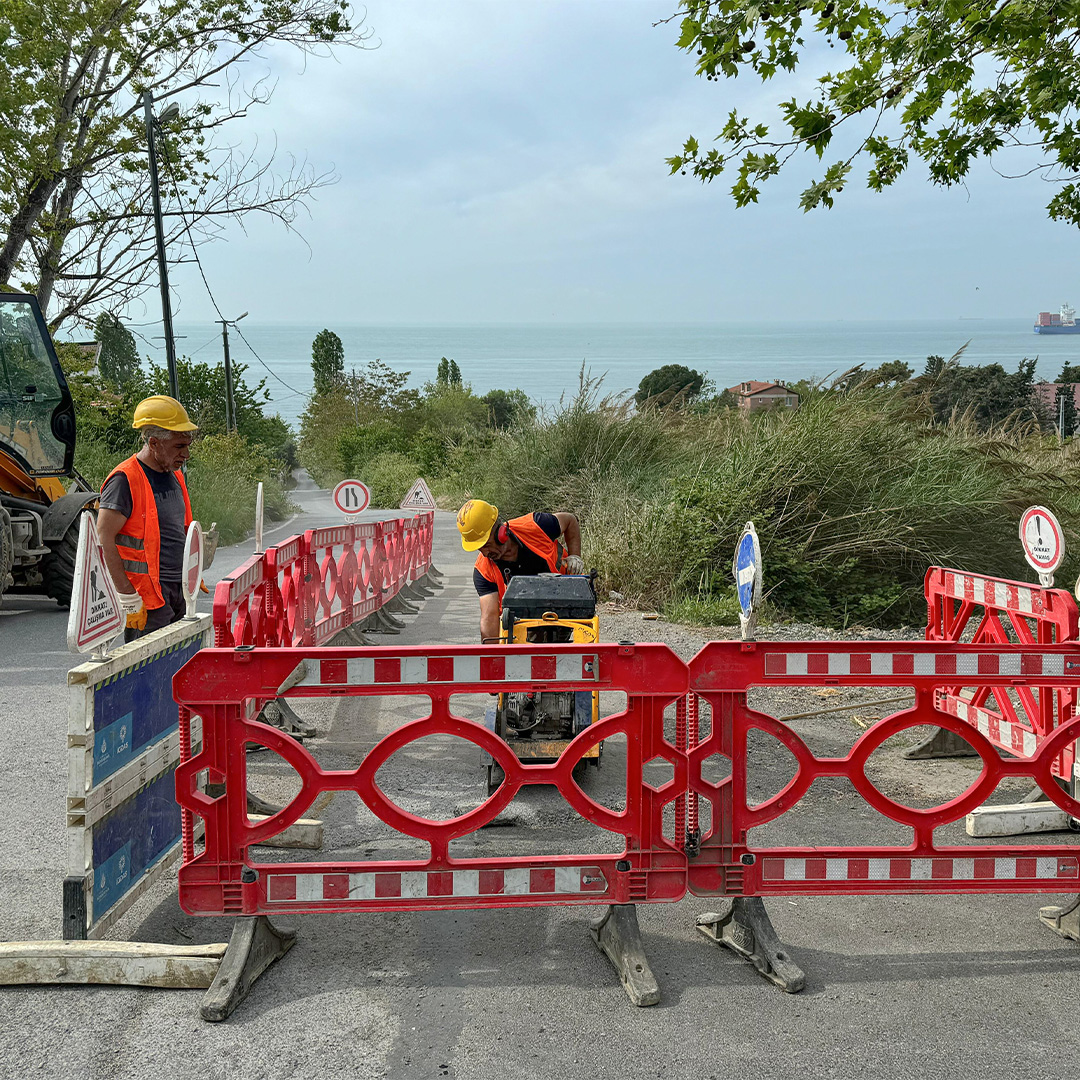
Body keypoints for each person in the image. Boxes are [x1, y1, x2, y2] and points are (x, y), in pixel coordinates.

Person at [96, 395, 197, 641]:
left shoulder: (175, 476)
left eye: (187, 446)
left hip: (178, 590)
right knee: (148, 672)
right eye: (178, 446)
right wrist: (127, 596)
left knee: (177, 667)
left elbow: (178, 530)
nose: (186, 454)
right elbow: (103, 538)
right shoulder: (125, 479)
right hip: (146, 597)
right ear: (154, 443)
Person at [456, 499, 584, 642]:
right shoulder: (483, 571)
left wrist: (575, 556)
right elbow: (489, 618)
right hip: (524, 621)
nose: (485, 553)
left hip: (564, 601)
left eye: (486, 544)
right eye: (480, 548)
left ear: (501, 532)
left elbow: (570, 520)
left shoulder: (537, 525)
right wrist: (491, 659)